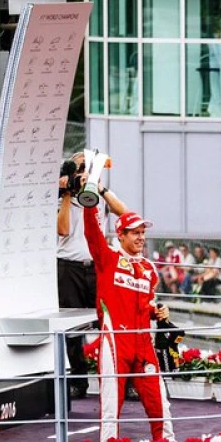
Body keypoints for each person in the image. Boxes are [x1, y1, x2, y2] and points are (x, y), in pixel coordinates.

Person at [81, 204, 174, 442]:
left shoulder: (149, 269)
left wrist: (157, 312)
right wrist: (90, 203)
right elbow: (92, 232)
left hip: (143, 344)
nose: (141, 237)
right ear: (120, 235)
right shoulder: (108, 258)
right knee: (112, 404)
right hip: (115, 342)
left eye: (143, 232)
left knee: (159, 401)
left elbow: (146, 305)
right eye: (135, 232)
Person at [56, 155, 129, 404]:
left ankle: (121, 380)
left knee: (108, 321)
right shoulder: (61, 196)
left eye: (87, 168)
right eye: (80, 169)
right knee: (72, 329)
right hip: (69, 266)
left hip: (98, 266)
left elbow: (125, 214)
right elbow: (62, 229)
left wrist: (99, 187)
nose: (84, 173)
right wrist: (66, 192)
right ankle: (78, 381)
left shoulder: (98, 194)